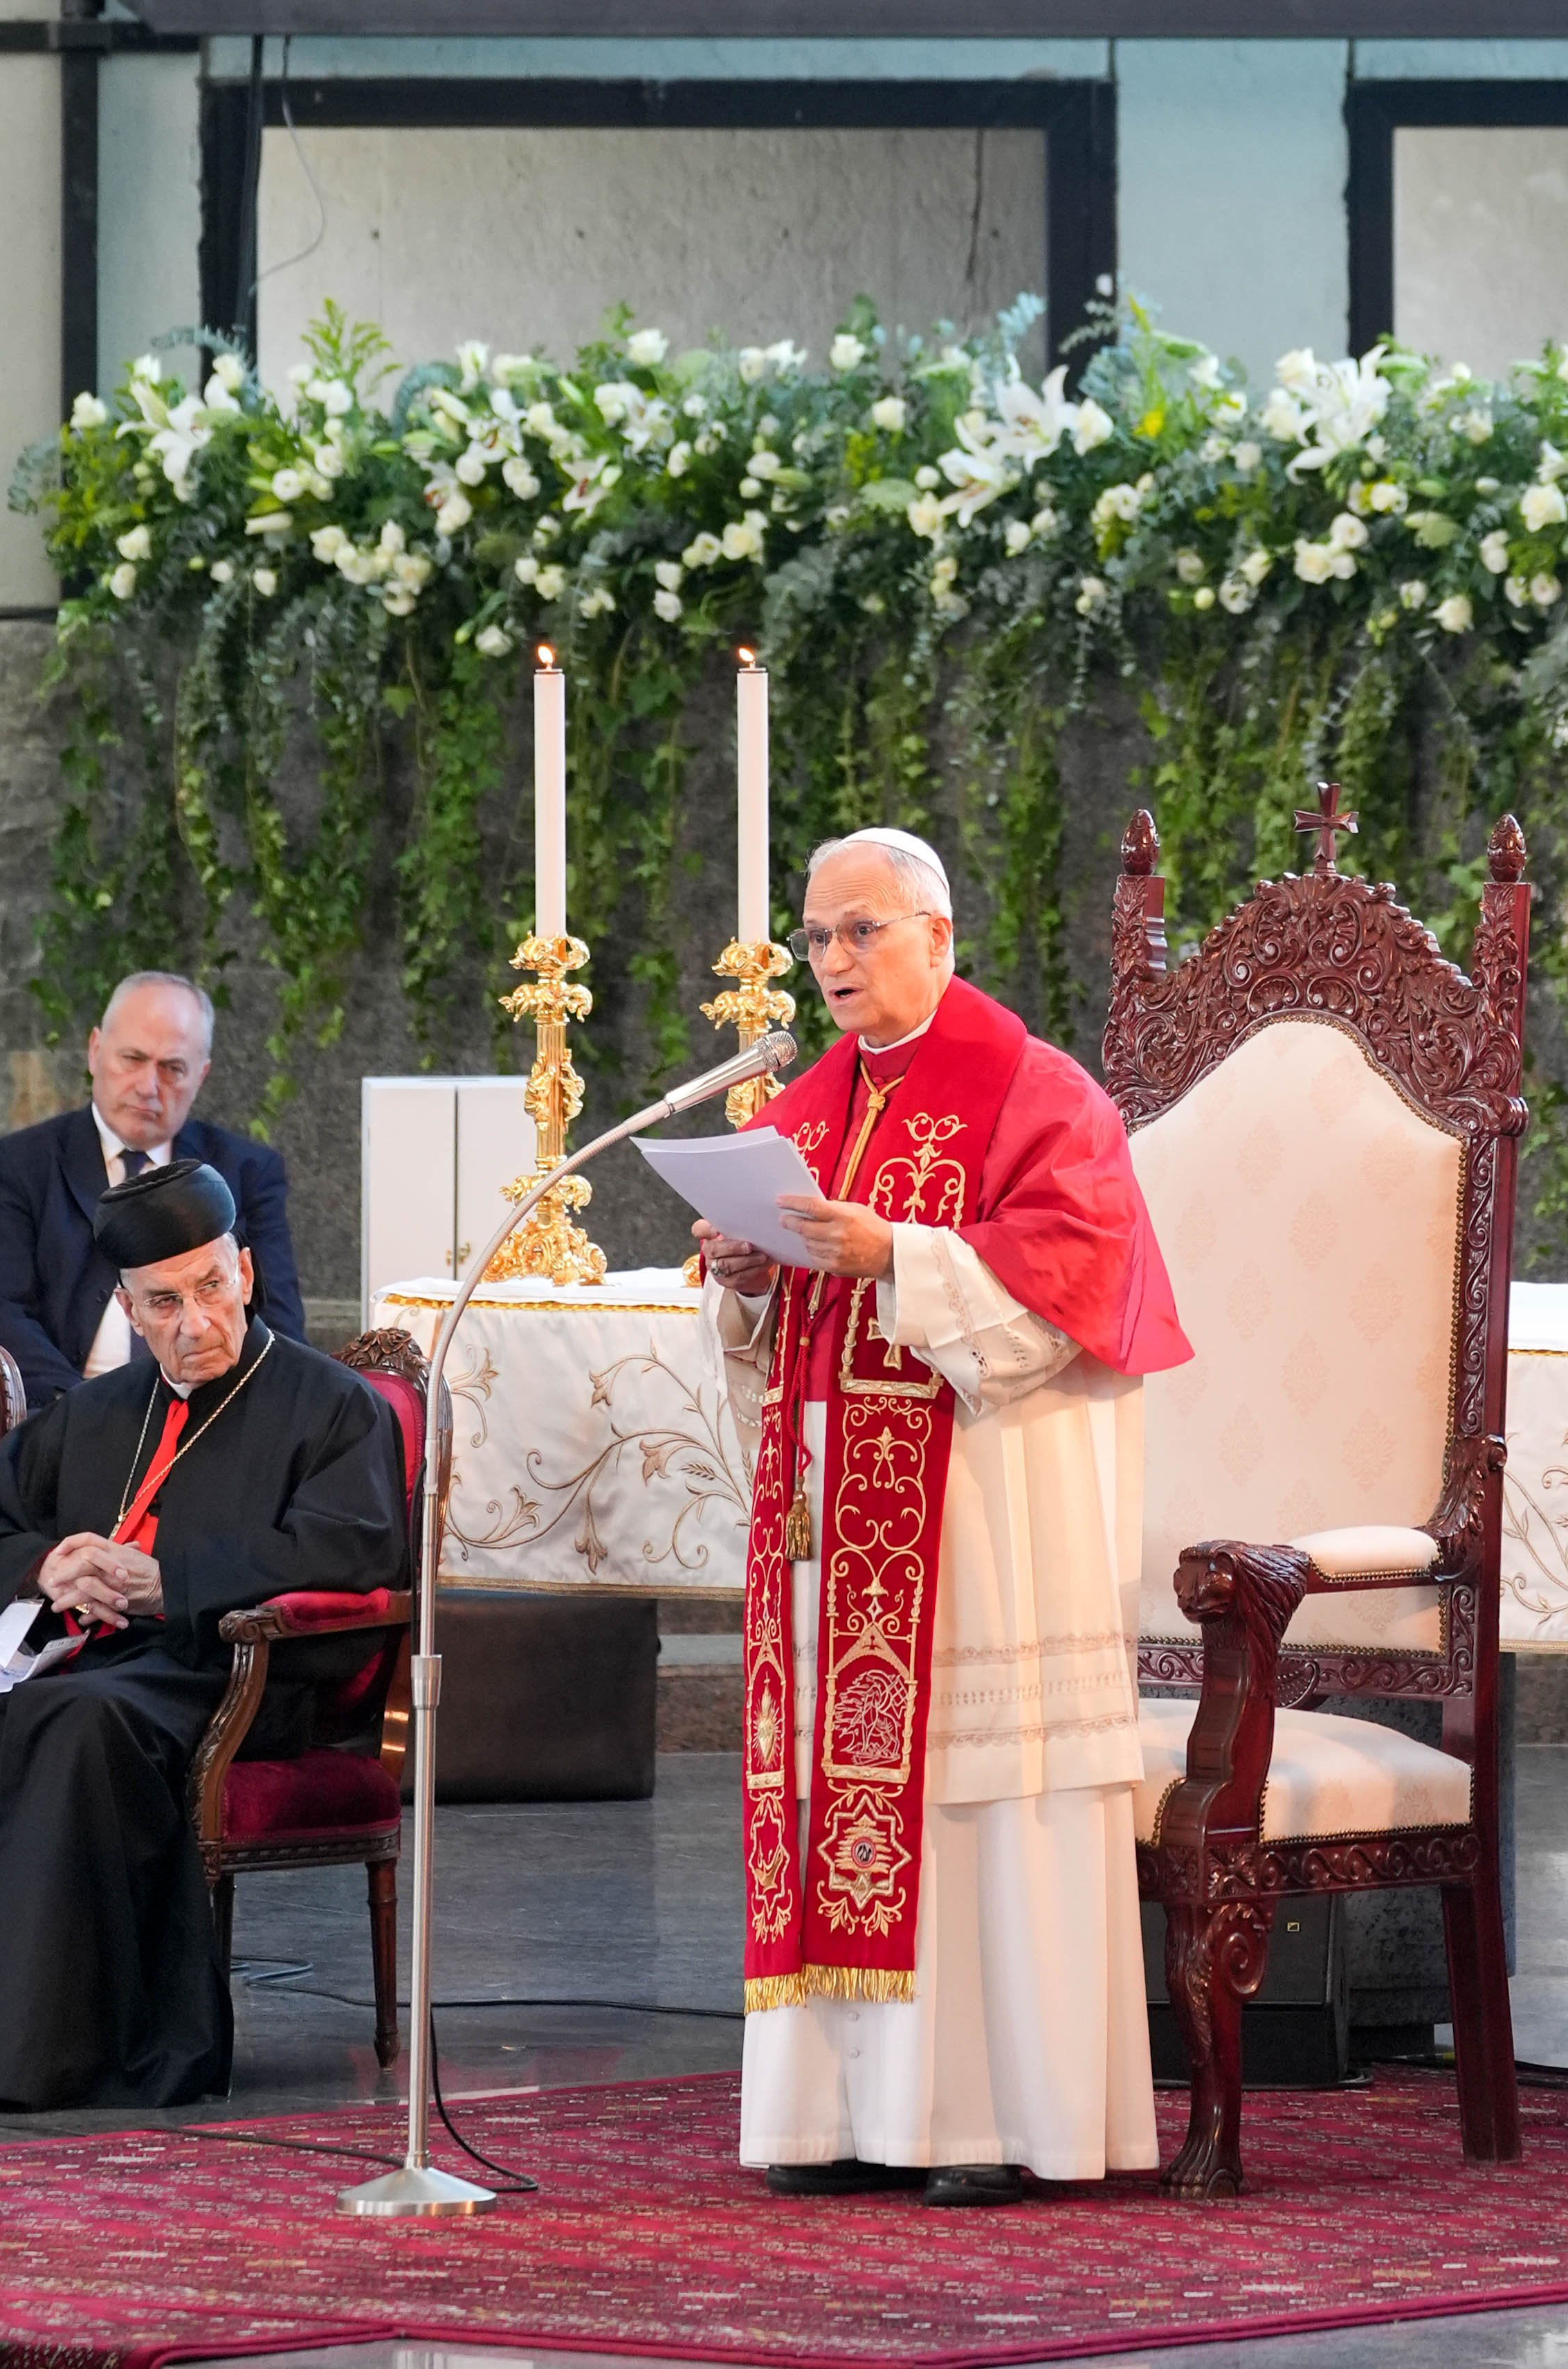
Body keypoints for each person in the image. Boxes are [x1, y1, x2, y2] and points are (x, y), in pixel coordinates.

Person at [696, 826, 1191, 2207]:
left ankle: (983, 2120)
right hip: (830, 1530)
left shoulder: (1037, 1092)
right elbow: (767, 1321)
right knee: (829, 1793)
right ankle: (830, 2116)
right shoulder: (801, 1104)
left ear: (938, 939)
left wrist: (897, 1252)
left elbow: (1076, 1285)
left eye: (862, 929)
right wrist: (742, 1274)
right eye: (819, 935)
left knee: (972, 1806)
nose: (834, 958)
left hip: (982, 1520)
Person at [0, 1156, 404, 2110]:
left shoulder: (331, 1405)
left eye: (208, 1287)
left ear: (245, 1270)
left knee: (76, 1720)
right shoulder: (100, 1409)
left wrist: (171, 1585)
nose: (193, 1322)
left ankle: (13, 2052)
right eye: (162, 1302)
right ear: (128, 1306)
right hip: (85, 1657)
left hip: (226, 1671)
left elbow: (353, 1547)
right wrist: (44, 1567)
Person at [0, 970, 302, 1406]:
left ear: (202, 1075)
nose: (147, 1087)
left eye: (172, 1068)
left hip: (208, 1420)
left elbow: (279, 1324)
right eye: (133, 1059)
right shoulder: (20, 1165)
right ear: (95, 1051)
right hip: (60, 1412)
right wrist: (89, 1418)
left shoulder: (246, 1172)